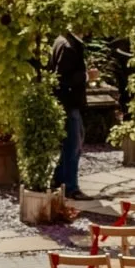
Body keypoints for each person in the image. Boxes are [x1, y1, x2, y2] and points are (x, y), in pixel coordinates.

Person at [50, 28, 88, 198]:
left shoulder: (63, 40)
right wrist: (87, 76)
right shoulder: (69, 46)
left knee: (71, 143)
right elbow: (63, 78)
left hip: (67, 103)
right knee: (73, 145)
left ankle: (59, 181)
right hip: (69, 102)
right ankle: (70, 187)